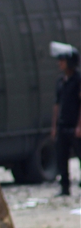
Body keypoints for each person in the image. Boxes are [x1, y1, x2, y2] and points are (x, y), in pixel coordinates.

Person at [51, 42, 81, 196]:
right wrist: (54, 126)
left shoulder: (78, 80)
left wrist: (79, 126)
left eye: (62, 60)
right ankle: (65, 187)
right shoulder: (61, 81)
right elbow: (57, 104)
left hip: (75, 124)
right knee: (61, 157)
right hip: (63, 124)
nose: (60, 64)